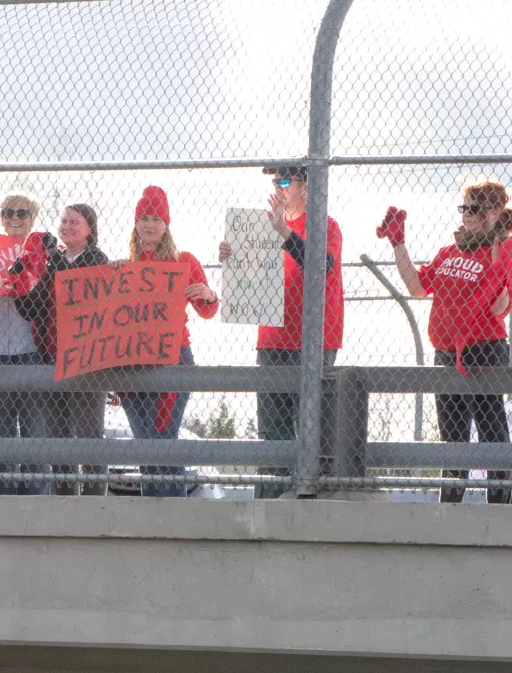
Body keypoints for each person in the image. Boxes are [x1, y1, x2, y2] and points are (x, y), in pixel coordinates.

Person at [380, 179, 512, 504]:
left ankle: (499, 513)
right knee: (452, 441)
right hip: (445, 354)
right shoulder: (450, 251)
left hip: (483, 351)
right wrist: (398, 244)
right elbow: (417, 286)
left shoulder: (501, 252)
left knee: (491, 436)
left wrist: (500, 268)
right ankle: (450, 513)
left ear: (493, 212)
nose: (466, 215)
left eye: (474, 208)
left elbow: (500, 307)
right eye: (464, 208)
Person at [218, 165, 344, 499]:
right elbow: (247, 281)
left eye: (285, 181)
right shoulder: (262, 227)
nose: (278, 186)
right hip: (274, 339)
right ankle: (268, 510)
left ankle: (306, 511)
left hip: (312, 342)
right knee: (272, 433)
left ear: (306, 187)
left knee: (311, 432)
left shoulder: (324, 225)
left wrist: (284, 233)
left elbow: (321, 264)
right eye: (276, 182)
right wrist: (231, 259)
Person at [117, 186, 219, 497]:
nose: (149, 225)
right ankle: (154, 521)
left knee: (162, 442)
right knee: (145, 450)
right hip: (132, 365)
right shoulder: (124, 268)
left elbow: (208, 311)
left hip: (173, 359)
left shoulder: (184, 261)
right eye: (144, 218)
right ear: (136, 222)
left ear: (167, 223)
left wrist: (208, 293)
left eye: (156, 218)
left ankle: (174, 518)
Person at [21, 204, 111, 496]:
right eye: (64, 221)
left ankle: (95, 500)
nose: (68, 226)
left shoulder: (96, 259)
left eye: (75, 221)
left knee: (88, 435)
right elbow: (33, 308)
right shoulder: (52, 263)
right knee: (59, 437)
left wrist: (55, 259)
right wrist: (20, 282)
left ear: (89, 229)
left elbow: (77, 288)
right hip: (53, 357)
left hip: (86, 360)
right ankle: (64, 500)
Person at [0, 195, 51, 495]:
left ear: (33, 217)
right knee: (2, 432)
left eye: (22, 212)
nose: (14, 218)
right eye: (7, 213)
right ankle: (2, 498)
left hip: (30, 353)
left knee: (34, 431)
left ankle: (36, 498)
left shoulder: (44, 253)